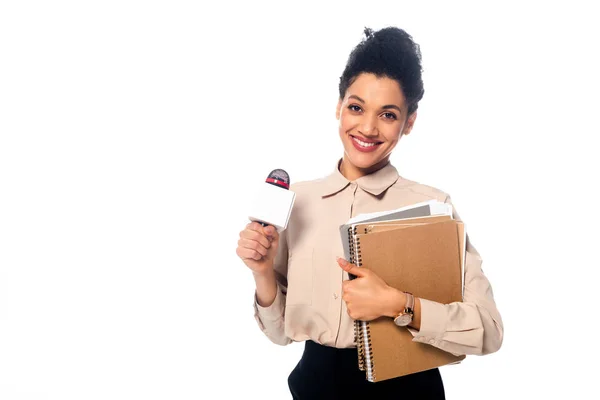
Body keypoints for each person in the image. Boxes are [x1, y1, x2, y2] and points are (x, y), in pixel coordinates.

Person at [236, 26, 503, 399]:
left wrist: (398, 303)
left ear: (409, 122)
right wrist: (263, 273)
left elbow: (488, 330)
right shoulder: (298, 201)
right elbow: (280, 333)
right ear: (339, 106)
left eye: (388, 114)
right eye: (356, 107)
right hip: (316, 388)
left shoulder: (433, 208)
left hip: (408, 390)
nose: (367, 127)